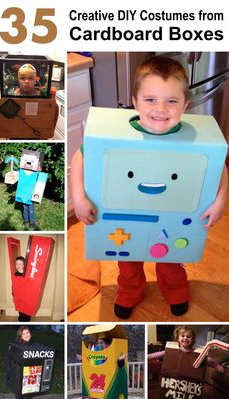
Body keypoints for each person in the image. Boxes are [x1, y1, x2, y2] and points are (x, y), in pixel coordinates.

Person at [71, 56, 228, 319]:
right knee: (128, 259)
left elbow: (218, 165)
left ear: (185, 105)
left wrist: (221, 199)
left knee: (170, 259)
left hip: (172, 217)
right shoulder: (117, 136)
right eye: (151, 99)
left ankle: (176, 289)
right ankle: (130, 291)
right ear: (135, 102)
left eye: (172, 101)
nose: (161, 109)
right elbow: (81, 156)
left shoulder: (193, 140)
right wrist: (77, 196)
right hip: (126, 216)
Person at [148, 325, 224, 373]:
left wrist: (216, 366)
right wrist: (148, 357)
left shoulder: (195, 351)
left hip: (189, 375)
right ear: (178, 338)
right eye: (183, 336)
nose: (185, 338)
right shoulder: (173, 349)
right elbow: (160, 353)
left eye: (188, 336)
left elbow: (207, 359)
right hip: (175, 374)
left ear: (192, 339)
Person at [14, 326, 38, 399]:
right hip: (20, 374)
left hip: (31, 373)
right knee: (19, 395)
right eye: (23, 334)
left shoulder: (34, 345)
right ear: (20, 336)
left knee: (29, 392)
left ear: (30, 333)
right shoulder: (18, 346)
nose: (26, 335)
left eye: (27, 333)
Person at [14, 257, 31, 322]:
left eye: (20, 264)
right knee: (20, 308)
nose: (18, 266)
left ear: (24, 265)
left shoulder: (27, 274)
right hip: (19, 295)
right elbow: (14, 285)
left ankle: (27, 319)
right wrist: (13, 294)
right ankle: (21, 318)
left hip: (26, 295)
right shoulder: (15, 274)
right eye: (17, 264)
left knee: (27, 309)